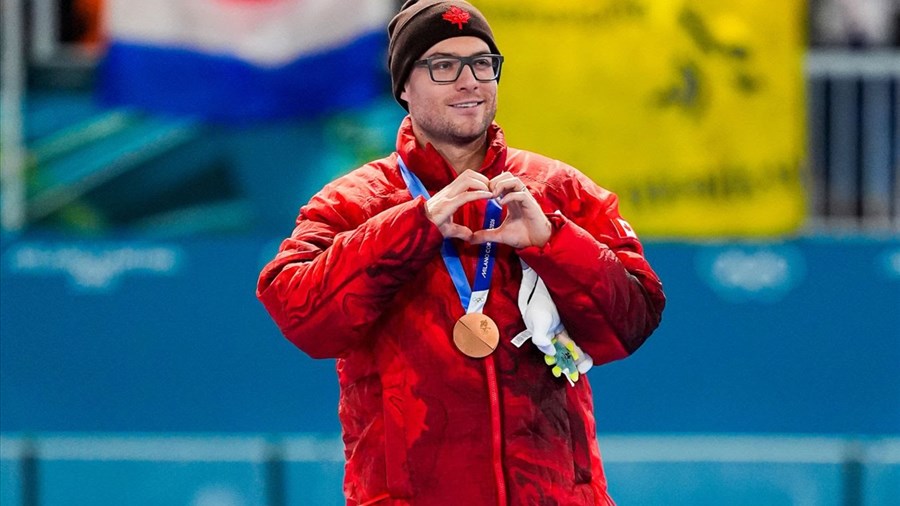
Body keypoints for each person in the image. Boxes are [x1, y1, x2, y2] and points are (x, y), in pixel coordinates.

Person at [257, 1, 666, 504]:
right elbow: (301, 315)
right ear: (404, 86)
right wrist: (413, 226)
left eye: (482, 64)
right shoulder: (352, 202)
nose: (470, 81)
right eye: (443, 66)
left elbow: (633, 321)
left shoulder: (559, 192)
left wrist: (553, 243)